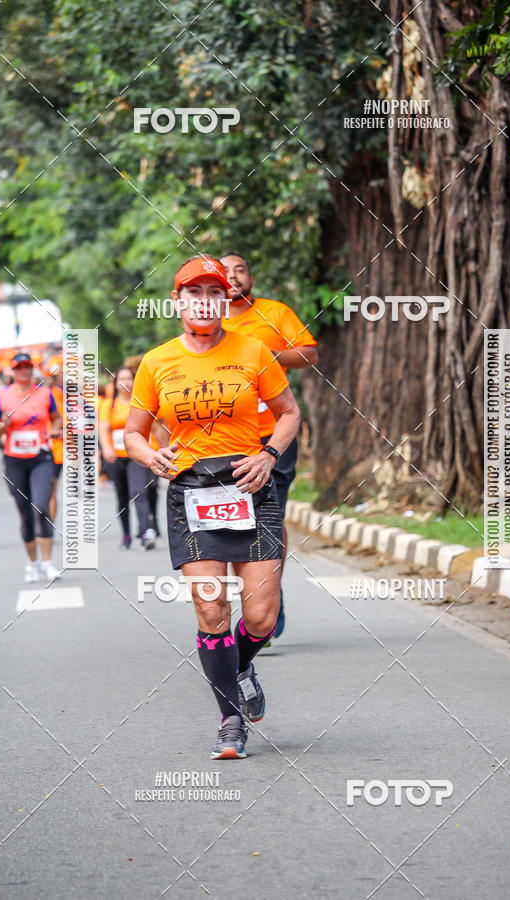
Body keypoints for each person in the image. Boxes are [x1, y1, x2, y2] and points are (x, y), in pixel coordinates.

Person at [124, 256, 300, 759]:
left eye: (213, 291)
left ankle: (240, 664)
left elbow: (289, 413)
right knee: (211, 606)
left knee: (262, 617)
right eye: (192, 291)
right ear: (177, 300)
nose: (203, 299)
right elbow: (133, 433)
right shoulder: (157, 362)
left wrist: (269, 454)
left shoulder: (254, 350)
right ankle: (230, 720)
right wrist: (150, 455)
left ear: (224, 300)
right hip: (191, 491)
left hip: (249, 485)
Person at [220, 251, 318, 639]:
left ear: (251, 278)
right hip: (226, 438)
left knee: (270, 513)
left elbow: (308, 353)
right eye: (224, 272)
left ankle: (269, 598)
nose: (233, 276)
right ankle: (245, 599)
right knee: (230, 520)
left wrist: (267, 356)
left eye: (240, 269)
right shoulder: (208, 324)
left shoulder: (274, 313)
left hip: (273, 434)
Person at [0, 351, 62, 582]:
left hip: (41, 457)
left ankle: (48, 563)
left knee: (41, 507)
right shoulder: (1, 398)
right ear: (12, 371)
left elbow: (56, 419)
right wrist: (4, 425)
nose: (23, 370)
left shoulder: (45, 394)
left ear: (32, 368)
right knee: (25, 512)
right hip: (14, 460)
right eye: (18, 367)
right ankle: (33, 564)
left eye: (27, 366)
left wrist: (54, 431)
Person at [99, 366, 158, 550]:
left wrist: (156, 450)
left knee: (139, 491)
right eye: (121, 379)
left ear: (135, 381)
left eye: (129, 379)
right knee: (122, 495)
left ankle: (146, 532)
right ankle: (126, 535)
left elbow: (155, 426)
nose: (125, 383)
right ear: (115, 384)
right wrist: (106, 448)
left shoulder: (141, 401)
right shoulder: (110, 404)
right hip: (117, 456)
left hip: (137, 455)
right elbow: (103, 428)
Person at [44, 356, 64, 523]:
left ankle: (48, 525)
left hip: (57, 450)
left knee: (51, 488)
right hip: (38, 449)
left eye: (54, 376)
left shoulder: (64, 395)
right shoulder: (35, 395)